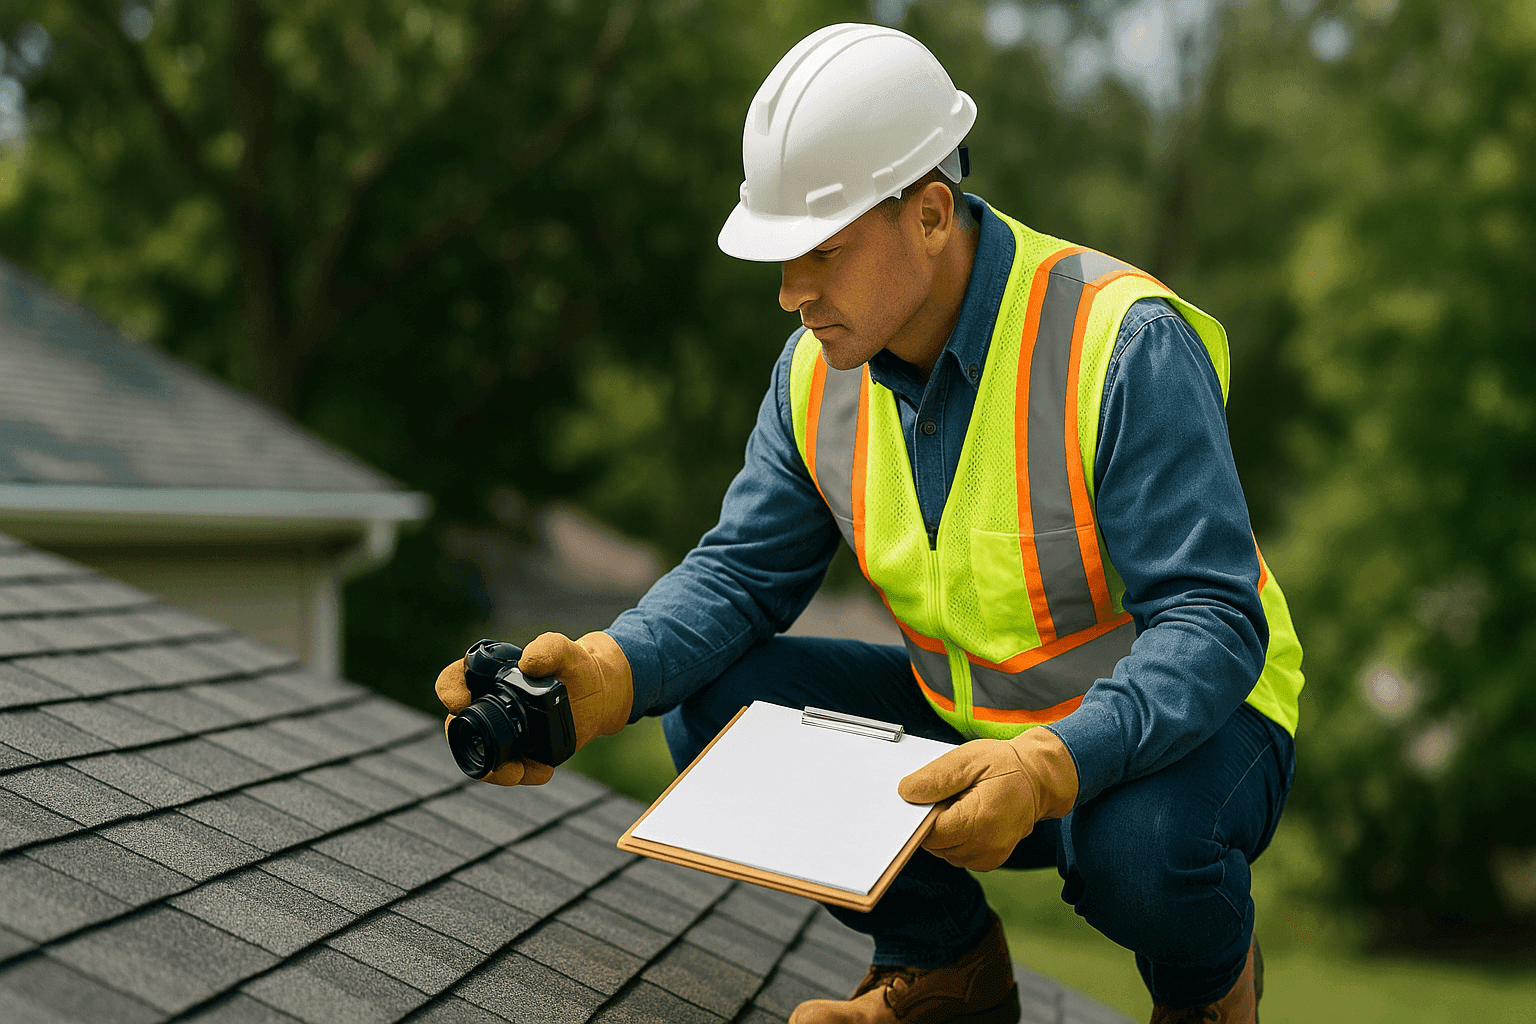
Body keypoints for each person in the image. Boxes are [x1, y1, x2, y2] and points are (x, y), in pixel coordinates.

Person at [435, 22, 1303, 1024]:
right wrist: (600, 677)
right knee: (720, 708)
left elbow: (1211, 621)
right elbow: (736, 579)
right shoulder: (815, 376)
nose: (790, 293)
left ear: (931, 215)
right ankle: (946, 970)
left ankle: (1213, 1000)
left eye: (821, 254)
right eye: (780, 259)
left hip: (1192, 726)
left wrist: (1053, 760)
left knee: (1139, 851)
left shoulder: (1122, 342)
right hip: (971, 723)